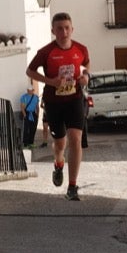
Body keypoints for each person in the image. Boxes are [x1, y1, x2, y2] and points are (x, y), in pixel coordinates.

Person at [26, 12, 90, 201]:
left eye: (67, 28)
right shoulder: (46, 52)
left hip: (75, 99)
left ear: (72, 29)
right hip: (53, 102)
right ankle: (58, 163)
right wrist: (50, 82)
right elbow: (29, 70)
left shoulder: (81, 49)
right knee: (60, 143)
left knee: (76, 139)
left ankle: (72, 187)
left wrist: (86, 76)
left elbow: (86, 65)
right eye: (59, 28)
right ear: (53, 31)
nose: (64, 32)